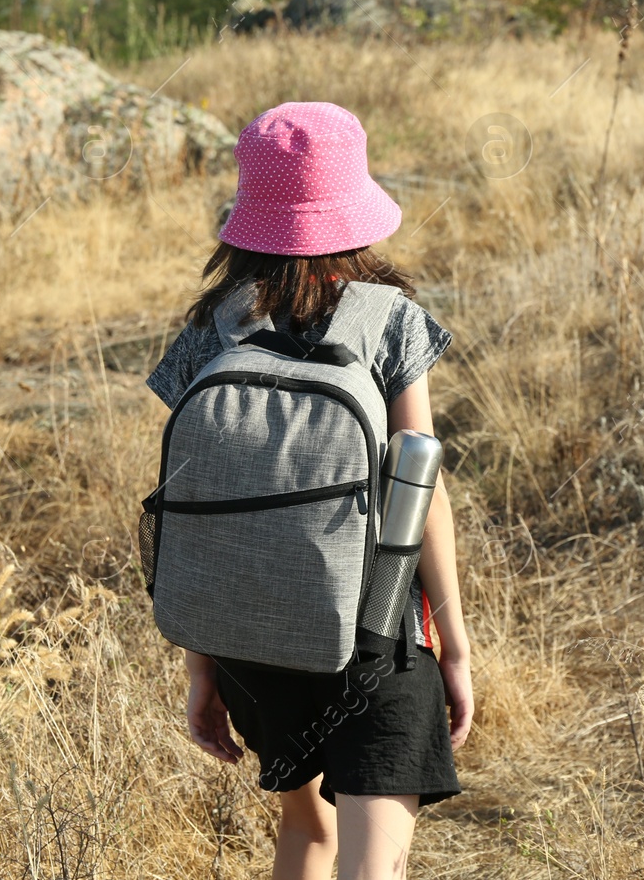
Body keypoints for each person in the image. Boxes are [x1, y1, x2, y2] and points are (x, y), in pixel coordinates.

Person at [145, 101, 473, 880]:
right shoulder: (389, 318)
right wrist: (454, 648)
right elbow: (419, 484)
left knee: (308, 833)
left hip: (251, 646)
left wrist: (203, 669)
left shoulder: (211, 326)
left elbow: (203, 506)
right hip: (376, 640)